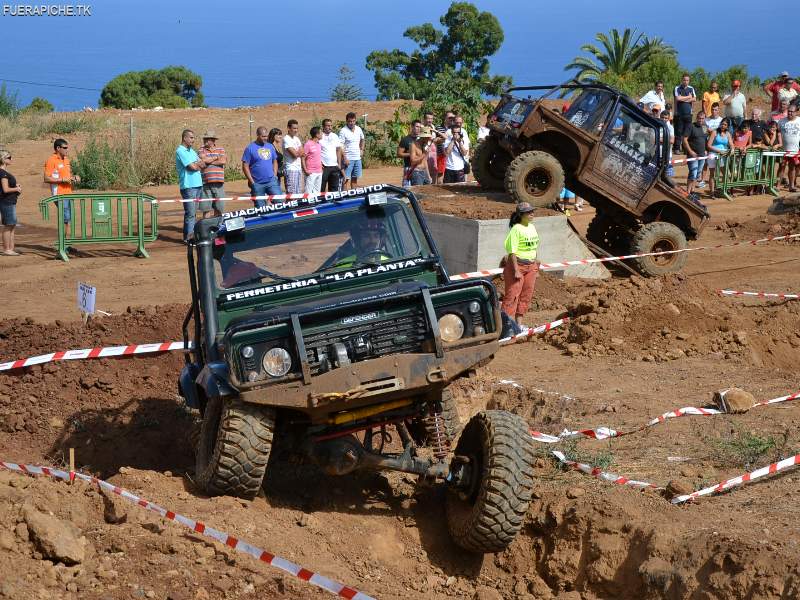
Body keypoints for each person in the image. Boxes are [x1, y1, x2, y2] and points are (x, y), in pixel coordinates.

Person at [502, 202, 540, 327]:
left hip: (531, 267)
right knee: (512, 296)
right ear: (521, 215)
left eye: (532, 211)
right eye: (529, 212)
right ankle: (506, 326)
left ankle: (518, 325)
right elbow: (512, 251)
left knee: (526, 296)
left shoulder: (532, 227)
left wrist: (535, 265)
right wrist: (516, 270)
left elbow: (534, 247)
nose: (532, 214)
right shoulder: (516, 229)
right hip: (518, 266)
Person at [43, 138, 80, 237]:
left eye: (67, 147)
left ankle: (65, 244)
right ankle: (62, 245)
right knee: (64, 220)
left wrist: (74, 178)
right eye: (65, 148)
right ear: (58, 148)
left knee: (67, 220)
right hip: (59, 195)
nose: (67, 149)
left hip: (68, 193)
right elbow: (46, 178)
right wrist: (63, 180)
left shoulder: (66, 160)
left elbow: (67, 175)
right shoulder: (51, 160)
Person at [175, 129, 205, 242]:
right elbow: (192, 167)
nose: (193, 140)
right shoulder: (180, 151)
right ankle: (189, 238)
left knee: (193, 213)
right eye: (191, 138)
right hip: (188, 187)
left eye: (194, 138)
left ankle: (189, 236)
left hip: (198, 185)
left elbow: (201, 164)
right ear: (185, 138)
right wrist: (197, 164)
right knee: (190, 214)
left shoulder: (191, 151)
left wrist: (197, 164)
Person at [241, 126, 281, 208]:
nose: (265, 138)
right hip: (257, 183)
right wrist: (252, 182)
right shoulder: (250, 148)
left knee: (280, 202)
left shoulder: (270, 146)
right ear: (258, 135)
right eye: (263, 136)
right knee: (260, 207)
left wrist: (275, 175)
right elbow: (245, 166)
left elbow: (275, 161)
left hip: (271, 181)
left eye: (266, 136)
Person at [197, 130, 226, 219]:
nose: (204, 140)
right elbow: (203, 159)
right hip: (206, 183)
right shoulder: (201, 150)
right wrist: (216, 157)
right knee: (206, 208)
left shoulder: (221, 149)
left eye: (207, 139)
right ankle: (206, 228)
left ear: (213, 140)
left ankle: (217, 228)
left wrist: (209, 161)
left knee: (219, 207)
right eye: (204, 139)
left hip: (218, 182)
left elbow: (223, 161)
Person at [0, 150, 21, 256]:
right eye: (9, 157)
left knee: (11, 225)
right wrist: (16, 189)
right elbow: (5, 189)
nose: (11, 159)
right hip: (6, 202)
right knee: (8, 225)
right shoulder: (3, 173)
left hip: (9, 201)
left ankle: (11, 248)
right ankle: (7, 249)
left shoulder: (4, 173)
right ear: (3, 159)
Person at [683, 110, 708, 194]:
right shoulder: (691, 126)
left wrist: (705, 150)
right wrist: (690, 151)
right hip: (693, 155)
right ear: (696, 118)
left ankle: (692, 191)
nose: (700, 120)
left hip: (702, 155)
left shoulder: (705, 127)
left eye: (702, 118)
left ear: (705, 119)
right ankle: (688, 192)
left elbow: (704, 139)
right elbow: (684, 139)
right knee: (693, 173)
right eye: (699, 118)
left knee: (697, 174)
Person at [706, 120, 733, 196]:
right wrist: (718, 151)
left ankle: (722, 189)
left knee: (726, 174)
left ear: (727, 126)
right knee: (712, 174)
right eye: (722, 124)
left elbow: (731, 144)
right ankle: (712, 192)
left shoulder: (728, 134)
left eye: (725, 124)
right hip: (713, 155)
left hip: (722, 156)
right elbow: (709, 145)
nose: (723, 126)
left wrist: (732, 149)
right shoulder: (714, 132)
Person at [339, 112, 365, 190]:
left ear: (355, 120)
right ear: (346, 121)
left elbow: (363, 139)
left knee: (354, 179)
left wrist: (362, 149)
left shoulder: (358, 129)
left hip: (357, 158)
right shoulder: (343, 131)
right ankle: (345, 198)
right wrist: (345, 158)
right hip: (348, 159)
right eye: (350, 121)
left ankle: (354, 196)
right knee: (345, 179)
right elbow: (340, 146)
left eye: (353, 121)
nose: (352, 123)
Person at [673, 73, 697, 154]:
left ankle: (685, 148)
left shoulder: (691, 88)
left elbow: (694, 99)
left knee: (687, 132)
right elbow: (678, 98)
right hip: (679, 113)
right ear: (682, 80)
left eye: (687, 80)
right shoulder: (677, 88)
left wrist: (685, 99)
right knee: (679, 132)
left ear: (689, 81)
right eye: (684, 80)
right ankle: (676, 148)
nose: (686, 82)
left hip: (688, 114)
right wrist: (688, 97)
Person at [443, 115, 470, 183]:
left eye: (458, 133)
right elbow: (446, 153)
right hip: (449, 168)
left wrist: (460, 142)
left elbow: (464, 153)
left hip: (460, 168)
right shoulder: (448, 135)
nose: (456, 134)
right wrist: (452, 140)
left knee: (460, 189)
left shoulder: (464, 134)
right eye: (454, 133)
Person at [319, 119, 344, 193]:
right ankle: (321, 203)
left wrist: (339, 164)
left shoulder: (335, 136)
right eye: (328, 126)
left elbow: (338, 150)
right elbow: (316, 151)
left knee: (334, 190)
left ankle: (332, 203)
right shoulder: (319, 136)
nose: (330, 127)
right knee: (321, 188)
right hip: (324, 167)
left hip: (334, 166)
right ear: (323, 127)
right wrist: (319, 163)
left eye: (331, 125)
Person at [779, 106, 800, 191]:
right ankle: (778, 186)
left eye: (792, 111)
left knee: (792, 168)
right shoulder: (781, 121)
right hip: (783, 149)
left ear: (796, 112)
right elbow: (778, 133)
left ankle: (791, 186)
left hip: (795, 149)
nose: (790, 113)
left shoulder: (799, 120)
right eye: (789, 111)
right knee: (782, 167)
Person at [397, 120, 422, 187]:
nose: (418, 128)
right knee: (407, 188)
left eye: (420, 127)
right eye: (417, 126)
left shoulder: (422, 139)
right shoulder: (406, 140)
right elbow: (399, 154)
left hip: (420, 168)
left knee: (419, 188)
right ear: (412, 127)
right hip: (409, 167)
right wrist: (412, 154)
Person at [423, 112, 445, 183]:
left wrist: (435, 132)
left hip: (433, 153)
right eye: (428, 118)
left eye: (431, 118)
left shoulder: (433, 126)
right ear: (424, 119)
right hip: (424, 152)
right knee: (424, 172)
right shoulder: (421, 127)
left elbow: (435, 139)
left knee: (434, 171)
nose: (430, 120)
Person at [283, 119, 304, 194]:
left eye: (297, 128)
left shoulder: (297, 139)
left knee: (298, 192)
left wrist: (297, 152)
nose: (296, 130)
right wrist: (298, 153)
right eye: (294, 128)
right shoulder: (286, 139)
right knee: (291, 193)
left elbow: (303, 152)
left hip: (298, 168)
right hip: (291, 168)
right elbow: (294, 155)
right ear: (289, 128)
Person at [302, 126, 323, 194]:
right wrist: (305, 170)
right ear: (317, 134)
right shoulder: (308, 144)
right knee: (308, 192)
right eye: (321, 132)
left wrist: (321, 164)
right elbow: (303, 158)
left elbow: (317, 156)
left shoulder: (319, 144)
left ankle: (316, 204)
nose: (322, 134)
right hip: (311, 172)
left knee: (317, 192)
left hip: (319, 172)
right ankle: (307, 204)